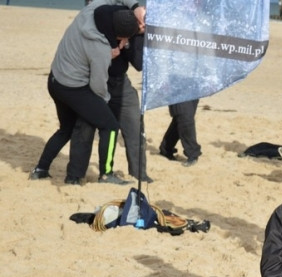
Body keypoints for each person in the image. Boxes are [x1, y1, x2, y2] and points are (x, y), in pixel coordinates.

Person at [29, 0, 144, 185]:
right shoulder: (100, 49)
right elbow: (98, 87)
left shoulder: (90, 11)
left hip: (55, 80)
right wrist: (103, 106)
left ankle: (41, 169)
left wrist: (135, 6)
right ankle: (106, 174)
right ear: (119, 36)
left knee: (65, 130)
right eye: (124, 40)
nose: (124, 44)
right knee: (110, 126)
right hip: (73, 88)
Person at [70, 2, 150, 184]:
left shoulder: (135, 29)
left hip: (120, 82)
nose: (142, 26)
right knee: (85, 128)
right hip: (92, 81)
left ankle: (140, 175)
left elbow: (138, 64)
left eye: (146, 24)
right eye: (142, 21)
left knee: (135, 127)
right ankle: (74, 176)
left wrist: (131, 40)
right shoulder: (109, 14)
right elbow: (100, 14)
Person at [158, 99, 201, 167]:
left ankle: (166, 148)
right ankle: (192, 152)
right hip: (177, 90)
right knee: (185, 116)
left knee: (181, 117)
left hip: (193, 90)